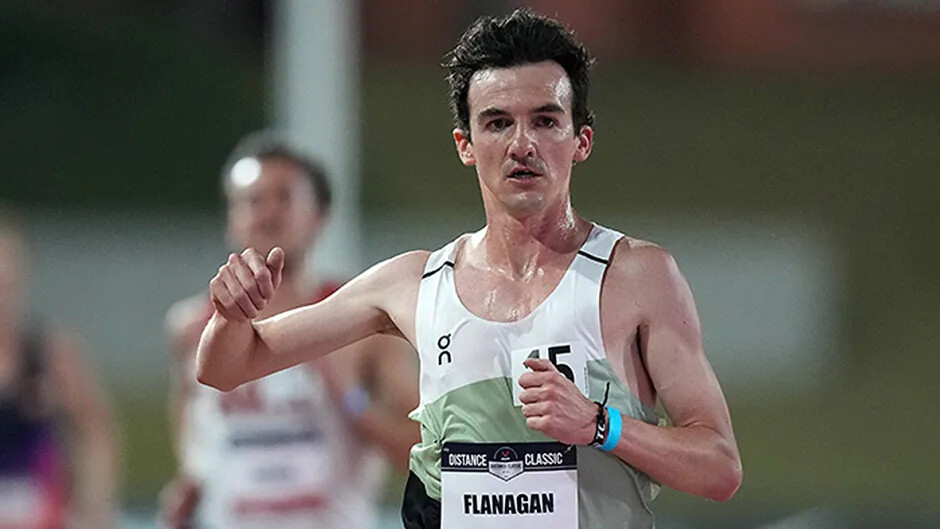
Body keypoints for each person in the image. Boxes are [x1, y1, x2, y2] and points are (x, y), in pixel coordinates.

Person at [196, 10, 743, 529]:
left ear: (581, 140)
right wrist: (230, 315)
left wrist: (601, 425)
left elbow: (719, 467)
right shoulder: (411, 285)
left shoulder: (636, 277)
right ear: (465, 144)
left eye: (545, 121)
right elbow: (227, 366)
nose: (522, 144)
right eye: (498, 123)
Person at [158, 133, 419, 529]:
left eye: (284, 197)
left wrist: (351, 401)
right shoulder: (192, 327)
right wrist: (191, 481)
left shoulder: (362, 321)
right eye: (252, 200)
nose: (268, 213)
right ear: (230, 217)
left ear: (319, 216)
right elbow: (192, 424)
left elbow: (420, 450)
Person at [0, 208, 119, 529]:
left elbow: (96, 433)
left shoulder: (52, 354)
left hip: (40, 516)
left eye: (7, 273)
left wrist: (95, 506)